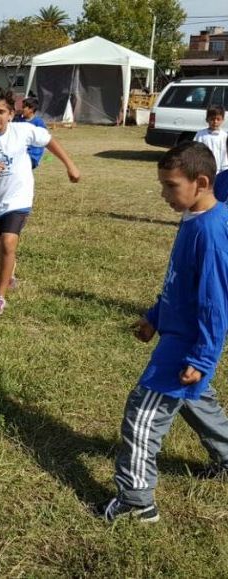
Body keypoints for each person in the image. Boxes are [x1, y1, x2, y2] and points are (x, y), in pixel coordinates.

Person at [98, 141, 228, 523]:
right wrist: (155, 316)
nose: (163, 194)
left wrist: (202, 358)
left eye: (171, 186)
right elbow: (180, 285)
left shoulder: (210, 232)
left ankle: (137, 501)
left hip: (186, 346)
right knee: (198, 403)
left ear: (201, 182)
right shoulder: (194, 218)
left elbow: (214, 304)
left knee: (142, 416)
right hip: (176, 335)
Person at [0, 87, 80, 316]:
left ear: (11, 114)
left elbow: (49, 141)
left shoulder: (24, 131)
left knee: (8, 243)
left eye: (2, 112)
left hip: (19, 197)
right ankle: (10, 273)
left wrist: (71, 166)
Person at [15, 97, 47, 169]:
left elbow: (43, 139)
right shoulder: (19, 120)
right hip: (20, 153)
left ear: (31, 109)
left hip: (33, 155)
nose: (22, 109)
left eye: (24, 107)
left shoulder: (38, 122)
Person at [194, 105, 228, 173]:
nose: (215, 122)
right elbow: (195, 151)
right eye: (212, 119)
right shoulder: (200, 135)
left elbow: (225, 154)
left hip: (219, 170)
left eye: (218, 119)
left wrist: (224, 169)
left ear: (223, 120)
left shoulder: (224, 136)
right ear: (207, 119)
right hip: (203, 168)